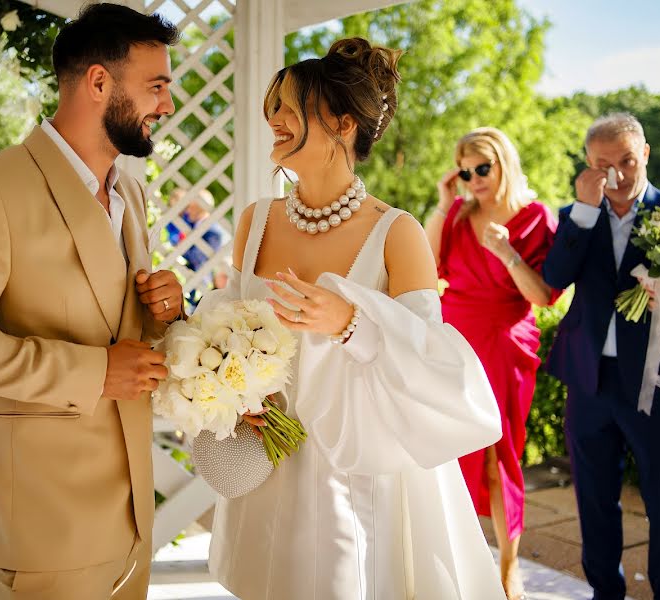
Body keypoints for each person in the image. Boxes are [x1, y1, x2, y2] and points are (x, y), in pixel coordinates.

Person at [201, 37, 504, 599]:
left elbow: (429, 368)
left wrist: (351, 323)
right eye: (275, 110)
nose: (276, 120)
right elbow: (231, 332)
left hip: (355, 472)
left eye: (291, 108)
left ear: (343, 125)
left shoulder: (398, 233)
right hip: (267, 456)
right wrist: (232, 387)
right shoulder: (255, 221)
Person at [0, 5, 183, 599]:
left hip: (130, 512)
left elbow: (119, 328)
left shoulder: (129, 189)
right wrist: (94, 371)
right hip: (39, 519)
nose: (168, 105)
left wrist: (167, 312)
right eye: (155, 86)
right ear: (99, 83)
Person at [542, 113, 660, 600]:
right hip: (589, 380)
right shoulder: (575, 214)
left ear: (644, 154)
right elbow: (555, 276)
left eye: (625, 160)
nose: (616, 174)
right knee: (594, 500)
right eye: (603, 164)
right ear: (587, 164)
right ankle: (605, 592)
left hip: (658, 383)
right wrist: (583, 207)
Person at [425, 127, 560, 599]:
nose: (474, 179)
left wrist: (505, 252)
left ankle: (508, 566)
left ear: (504, 163)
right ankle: (449, 558)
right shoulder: (459, 214)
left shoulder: (536, 217)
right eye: (466, 171)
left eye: (483, 167)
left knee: (498, 456)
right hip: (454, 336)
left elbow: (542, 296)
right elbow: (425, 263)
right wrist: (444, 201)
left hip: (505, 342)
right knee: (447, 448)